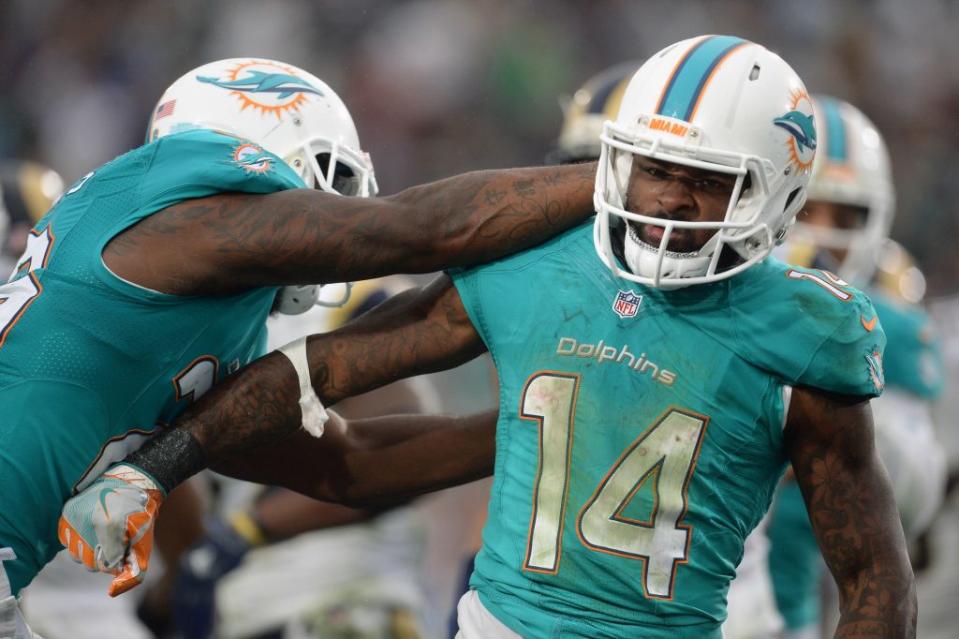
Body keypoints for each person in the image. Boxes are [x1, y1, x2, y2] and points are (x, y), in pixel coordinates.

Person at [62, 36, 916, 637]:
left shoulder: (805, 333)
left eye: (705, 182)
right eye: (651, 168)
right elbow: (322, 369)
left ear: (775, 195)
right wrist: (160, 466)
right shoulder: (535, 266)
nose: (665, 200)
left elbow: (874, 575)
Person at [0, 54, 598, 635]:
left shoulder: (207, 320)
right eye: (331, 178)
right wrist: (621, 178)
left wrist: (548, 428)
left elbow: (352, 463)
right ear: (255, 153)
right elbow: (421, 230)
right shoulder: (176, 212)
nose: (340, 206)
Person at [768, 95, 945, 639]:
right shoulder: (725, 300)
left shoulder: (895, 321)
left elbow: (916, 497)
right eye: (806, 208)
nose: (823, 235)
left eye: (846, 216)